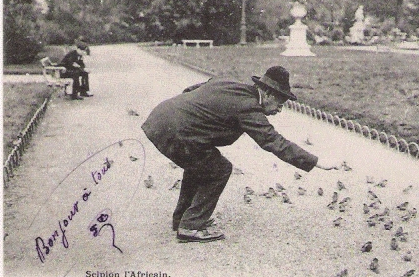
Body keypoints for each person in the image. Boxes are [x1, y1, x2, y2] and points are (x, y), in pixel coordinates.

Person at [142, 66, 340, 243]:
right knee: (219, 169)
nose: (280, 110)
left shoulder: (227, 83)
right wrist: (317, 162)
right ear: (268, 94)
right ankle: (191, 226)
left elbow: (191, 91)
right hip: (175, 132)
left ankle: (183, 219)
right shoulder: (249, 107)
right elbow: (273, 141)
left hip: (160, 117)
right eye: (280, 103)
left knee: (202, 163)